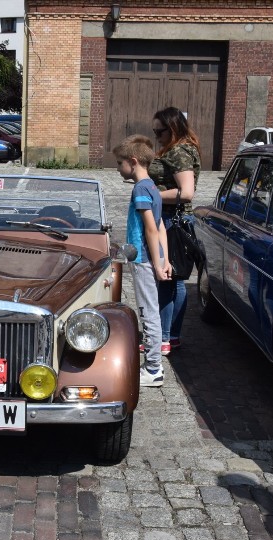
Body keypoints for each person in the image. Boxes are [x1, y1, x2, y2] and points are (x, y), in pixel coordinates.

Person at [114, 134, 171, 388]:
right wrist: (165, 259)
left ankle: (153, 369)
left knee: (148, 313)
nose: (118, 167)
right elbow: (161, 228)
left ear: (133, 161)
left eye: (119, 163)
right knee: (151, 310)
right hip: (153, 258)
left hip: (144, 260)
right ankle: (153, 365)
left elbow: (150, 228)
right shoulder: (153, 188)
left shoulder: (140, 189)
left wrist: (157, 264)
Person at [149, 107, 201, 356]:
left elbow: (187, 192)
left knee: (168, 280)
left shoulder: (179, 151)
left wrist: (152, 196)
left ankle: (165, 338)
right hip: (173, 219)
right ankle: (172, 336)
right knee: (176, 280)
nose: (156, 135)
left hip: (173, 220)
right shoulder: (178, 148)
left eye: (160, 131)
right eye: (154, 131)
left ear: (173, 128)